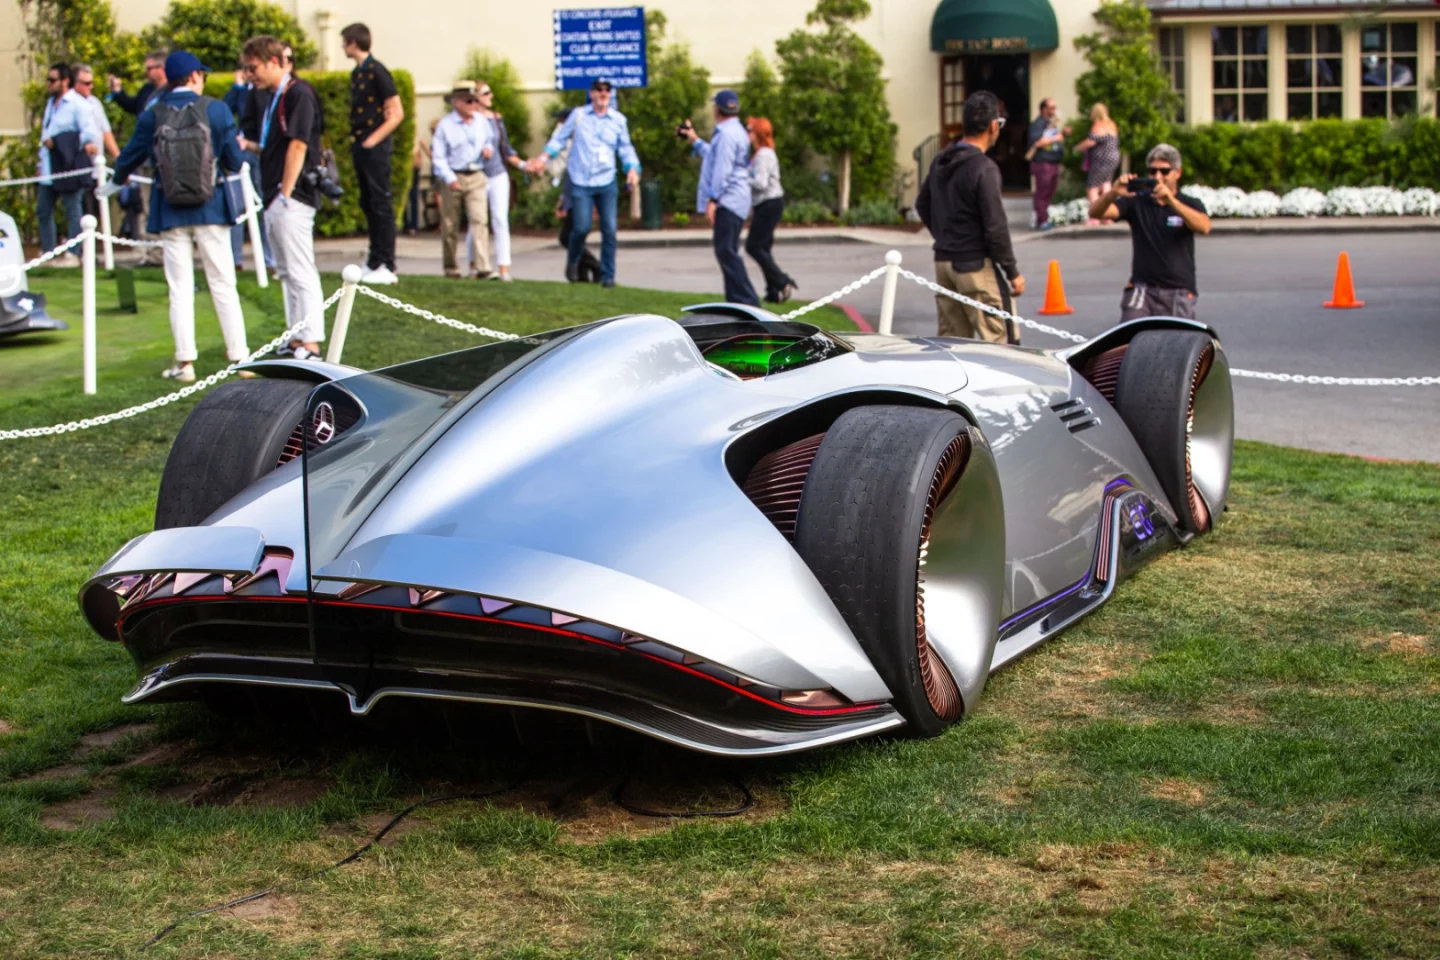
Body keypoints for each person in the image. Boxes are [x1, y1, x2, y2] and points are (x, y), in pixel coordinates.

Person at [110, 51, 251, 383]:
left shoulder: (152, 115)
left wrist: (114, 182)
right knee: (223, 283)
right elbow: (233, 160)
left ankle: (185, 363)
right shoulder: (215, 109)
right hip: (211, 207)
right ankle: (241, 357)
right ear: (193, 77)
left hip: (170, 209)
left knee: (179, 287)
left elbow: (129, 156)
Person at [241, 34, 328, 359]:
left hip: (293, 196)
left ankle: (311, 343)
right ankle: (296, 338)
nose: (250, 74)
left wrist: (285, 194)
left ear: (274, 62)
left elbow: (298, 144)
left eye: (254, 68)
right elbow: (274, 144)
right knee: (287, 270)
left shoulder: (298, 94)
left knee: (300, 268)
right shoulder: (274, 96)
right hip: (277, 195)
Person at [915, 91, 1025, 344]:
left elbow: (922, 203)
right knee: (1002, 346)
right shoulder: (984, 169)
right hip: (975, 265)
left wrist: (946, 235)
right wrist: (1012, 273)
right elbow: (996, 228)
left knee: (952, 347)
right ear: (993, 126)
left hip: (944, 263)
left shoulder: (941, 160)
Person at [526, 78, 641, 289]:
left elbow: (626, 148)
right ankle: (573, 261)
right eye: (599, 89)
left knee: (610, 230)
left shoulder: (618, 120)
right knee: (581, 227)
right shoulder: (579, 116)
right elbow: (559, 140)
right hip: (581, 180)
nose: (603, 93)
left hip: (606, 180)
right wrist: (542, 159)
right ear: (591, 93)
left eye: (607, 90)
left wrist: (632, 169)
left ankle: (608, 277)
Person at [1089, 143, 1211, 321]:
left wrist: (1171, 202)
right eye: (1152, 172)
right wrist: (1113, 193)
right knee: (1130, 339)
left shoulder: (1189, 203)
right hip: (1142, 288)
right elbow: (1096, 213)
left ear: (1177, 173)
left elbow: (1204, 226)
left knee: (1176, 344)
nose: (1158, 177)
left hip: (1178, 290)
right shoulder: (1137, 201)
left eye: (1164, 171)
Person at [680, 90, 758, 305]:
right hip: (737, 198)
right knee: (727, 250)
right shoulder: (735, 131)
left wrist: (713, 200)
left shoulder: (724, 134)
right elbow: (716, 156)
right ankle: (738, 301)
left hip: (729, 199)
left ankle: (747, 301)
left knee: (726, 250)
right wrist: (695, 140)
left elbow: (722, 169)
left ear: (717, 109)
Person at [342, 22, 404, 285]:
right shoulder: (358, 73)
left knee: (381, 203)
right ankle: (374, 260)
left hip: (374, 147)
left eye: (345, 42)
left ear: (354, 43)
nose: (344, 47)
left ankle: (387, 263)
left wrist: (372, 140)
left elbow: (396, 113)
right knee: (368, 202)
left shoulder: (377, 71)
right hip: (362, 144)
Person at [37, 63, 99, 265]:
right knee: (43, 209)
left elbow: (88, 133)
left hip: (68, 164)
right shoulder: (50, 103)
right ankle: (48, 252)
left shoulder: (77, 104)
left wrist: (62, 142)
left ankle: (74, 252)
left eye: (53, 80)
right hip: (49, 165)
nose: (49, 83)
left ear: (65, 81)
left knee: (73, 209)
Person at [431, 81, 495, 279]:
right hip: (454, 176)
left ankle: (482, 266)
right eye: (469, 101)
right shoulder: (446, 126)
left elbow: (489, 140)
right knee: (450, 224)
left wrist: (488, 150)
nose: (474, 105)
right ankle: (451, 267)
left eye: (475, 101)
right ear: (457, 102)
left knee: (479, 220)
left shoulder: (482, 122)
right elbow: (438, 157)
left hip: (476, 175)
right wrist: (450, 178)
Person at [476, 81, 527, 282]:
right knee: (477, 222)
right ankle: (476, 267)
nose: (491, 96)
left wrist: (524, 165)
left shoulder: (497, 119)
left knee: (500, 219)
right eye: (486, 93)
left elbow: (506, 149)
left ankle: (504, 268)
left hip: (497, 174)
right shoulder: (470, 120)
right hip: (477, 174)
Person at [742, 117, 797, 304]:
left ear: (757, 133)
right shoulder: (760, 153)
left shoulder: (764, 154)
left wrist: (740, 177)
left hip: (769, 204)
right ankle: (773, 292)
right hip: (766, 204)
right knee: (763, 247)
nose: (746, 133)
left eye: (749, 130)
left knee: (753, 246)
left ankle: (782, 282)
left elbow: (760, 183)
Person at [1025, 98, 1067, 232]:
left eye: (1055, 107)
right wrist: (1056, 138)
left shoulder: (1051, 123)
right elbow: (1038, 142)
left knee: (1050, 191)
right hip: (1043, 162)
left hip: (1052, 161)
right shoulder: (1038, 124)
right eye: (1052, 108)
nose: (1054, 110)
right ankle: (1042, 220)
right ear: (1044, 109)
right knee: (1042, 192)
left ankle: (1045, 218)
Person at [1076, 103, 1120, 225]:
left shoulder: (1098, 125)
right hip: (1113, 158)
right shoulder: (1112, 125)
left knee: (1093, 187)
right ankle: (1107, 215)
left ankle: (1095, 216)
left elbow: (1091, 141)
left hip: (1100, 160)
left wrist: (1077, 147)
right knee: (1106, 185)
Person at [107, 51, 167, 115]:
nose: (145, 72)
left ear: (161, 68)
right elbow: (133, 106)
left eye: (149, 69)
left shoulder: (172, 90)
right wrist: (117, 91)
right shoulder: (147, 89)